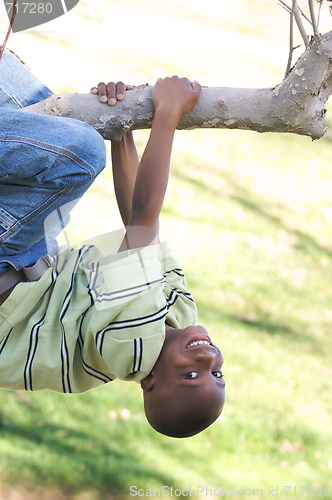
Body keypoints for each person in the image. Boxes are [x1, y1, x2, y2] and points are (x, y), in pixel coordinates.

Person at [0, 50, 225, 438]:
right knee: (51, 122)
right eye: (216, 373)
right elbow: (139, 229)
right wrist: (121, 125)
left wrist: (168, 112)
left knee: (80, 153)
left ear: (150, 381)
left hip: (10, 261)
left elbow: (143, 215)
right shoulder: (180, 315)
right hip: (28, 253)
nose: (207, 357)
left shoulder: (134, 346)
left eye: (192, 374)